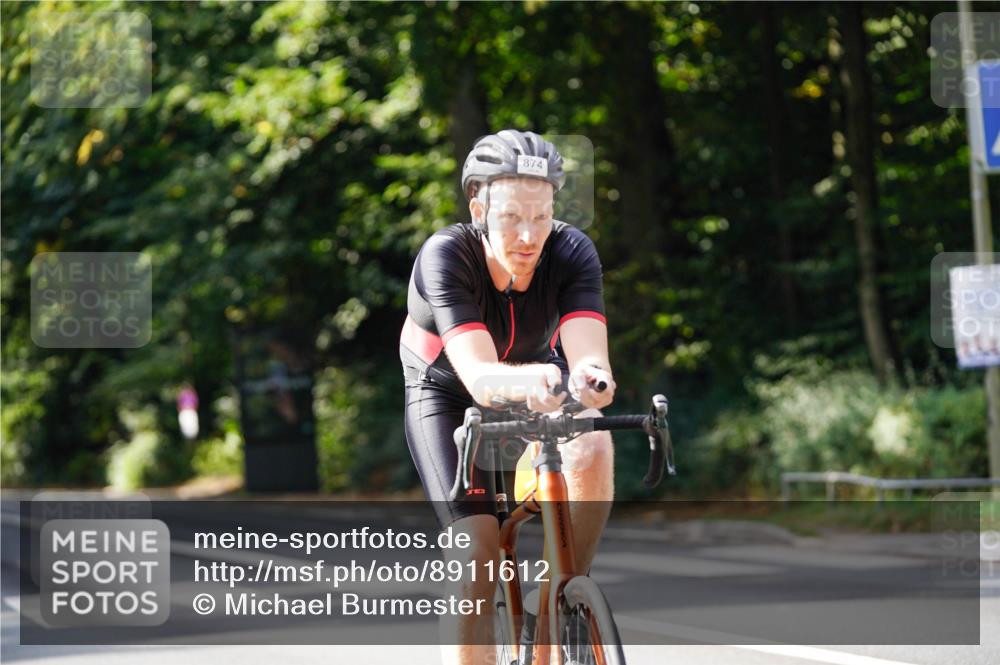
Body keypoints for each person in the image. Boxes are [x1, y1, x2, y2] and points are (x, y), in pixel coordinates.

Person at [400, 130, 616, 665]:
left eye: (541, 217)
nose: (529, 235)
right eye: (512, 217)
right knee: (477, 552)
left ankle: (562, 603)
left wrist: (591, 380)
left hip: (535, 380)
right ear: (479, 207)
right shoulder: (446, 255)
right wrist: (541, 381)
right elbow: (478, 377)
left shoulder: (570, 251)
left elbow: (591, 361)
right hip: (448, 391)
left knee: (594, 444)